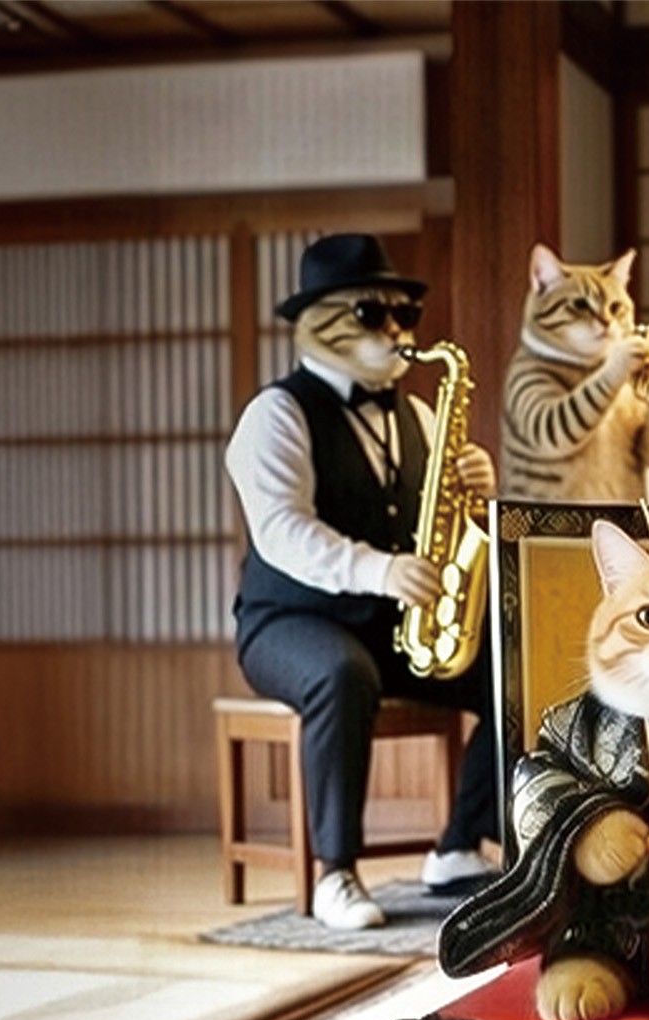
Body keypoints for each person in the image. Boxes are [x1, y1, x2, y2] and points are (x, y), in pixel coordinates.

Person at [227, 233, 501, 930]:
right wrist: (379, 570)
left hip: (391, 623)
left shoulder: (419, 415)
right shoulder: (276, 414)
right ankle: (336, 873)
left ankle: (461, 844)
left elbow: (437, 529)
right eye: (371, 314)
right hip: (290, 621)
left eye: (404, 315)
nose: (397, 332)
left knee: (514, 667)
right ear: (317, 321)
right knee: (342, 675)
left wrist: (478, 493)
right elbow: (282, 531)